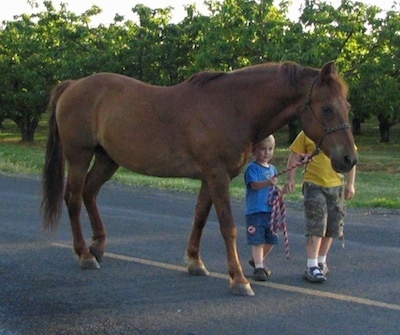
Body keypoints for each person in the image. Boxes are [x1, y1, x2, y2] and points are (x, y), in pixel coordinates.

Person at [283, 130, 356, 282]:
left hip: (336, 185)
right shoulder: (308, 132)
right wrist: (290, 179)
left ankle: (321, 261)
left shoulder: (341, 133)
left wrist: (350, 184)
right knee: (316, 224)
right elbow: (295, 155)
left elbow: (351, 158)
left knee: (332, 226)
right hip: (314, 184)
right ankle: (312, 265)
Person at [244, 135, 279, 281]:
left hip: (271, 211)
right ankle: (259, 267)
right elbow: (254, 185)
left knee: (271, 240)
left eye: (270, 149)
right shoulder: (252, 168)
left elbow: (274, 187)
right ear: (254, 150)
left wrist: (281, 192)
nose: (267, 153)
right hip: (256, 211)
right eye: (263, 149)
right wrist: (267, 183)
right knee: (257, 240)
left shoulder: (273, 169)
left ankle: (257, 259)